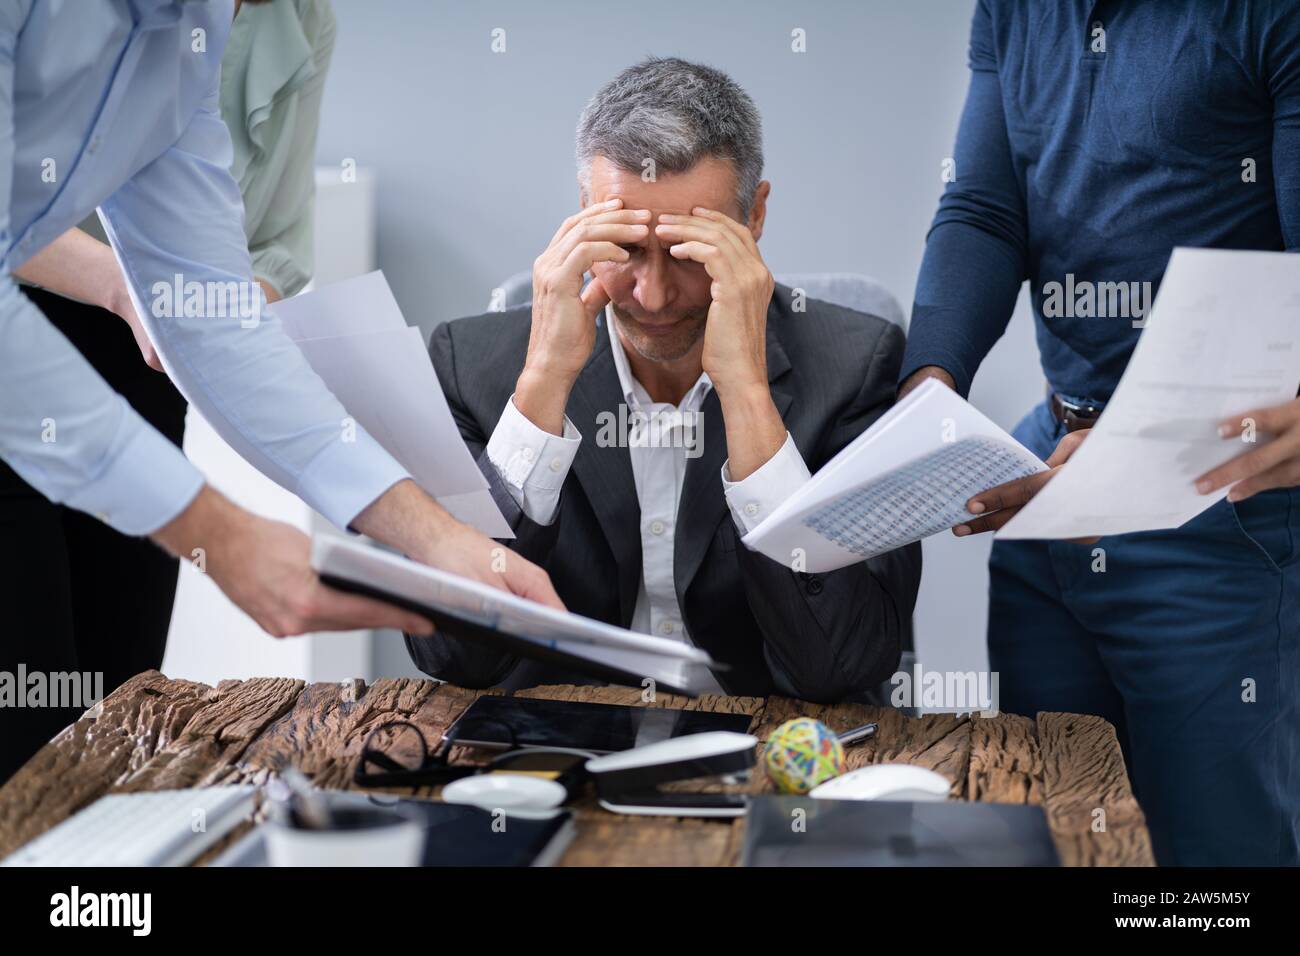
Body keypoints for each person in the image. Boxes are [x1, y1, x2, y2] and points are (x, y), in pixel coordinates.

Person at [0, 0, 559, 782]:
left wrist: (434, 538)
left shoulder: (191, 36)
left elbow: (214, 314)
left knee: (88, 749)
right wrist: (223, 535)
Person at [898, 0, 1299, 864]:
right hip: (1054, 474)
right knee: (1046, 832)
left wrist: (1134, 454)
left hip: (1216, 505)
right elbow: (984, 208)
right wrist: (932, 381)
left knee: (1209, 871)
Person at [406, 58, 921, 701]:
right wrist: (542, 384)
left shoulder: (857, 367)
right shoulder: (469, 363)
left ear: (754, 216)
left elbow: (843, 665)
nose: (652, 296)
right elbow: (452, 654)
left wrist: (747, 396)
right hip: (557, 753)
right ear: (584, 213)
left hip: (769, 759)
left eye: (686, 251)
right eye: (625, 247)